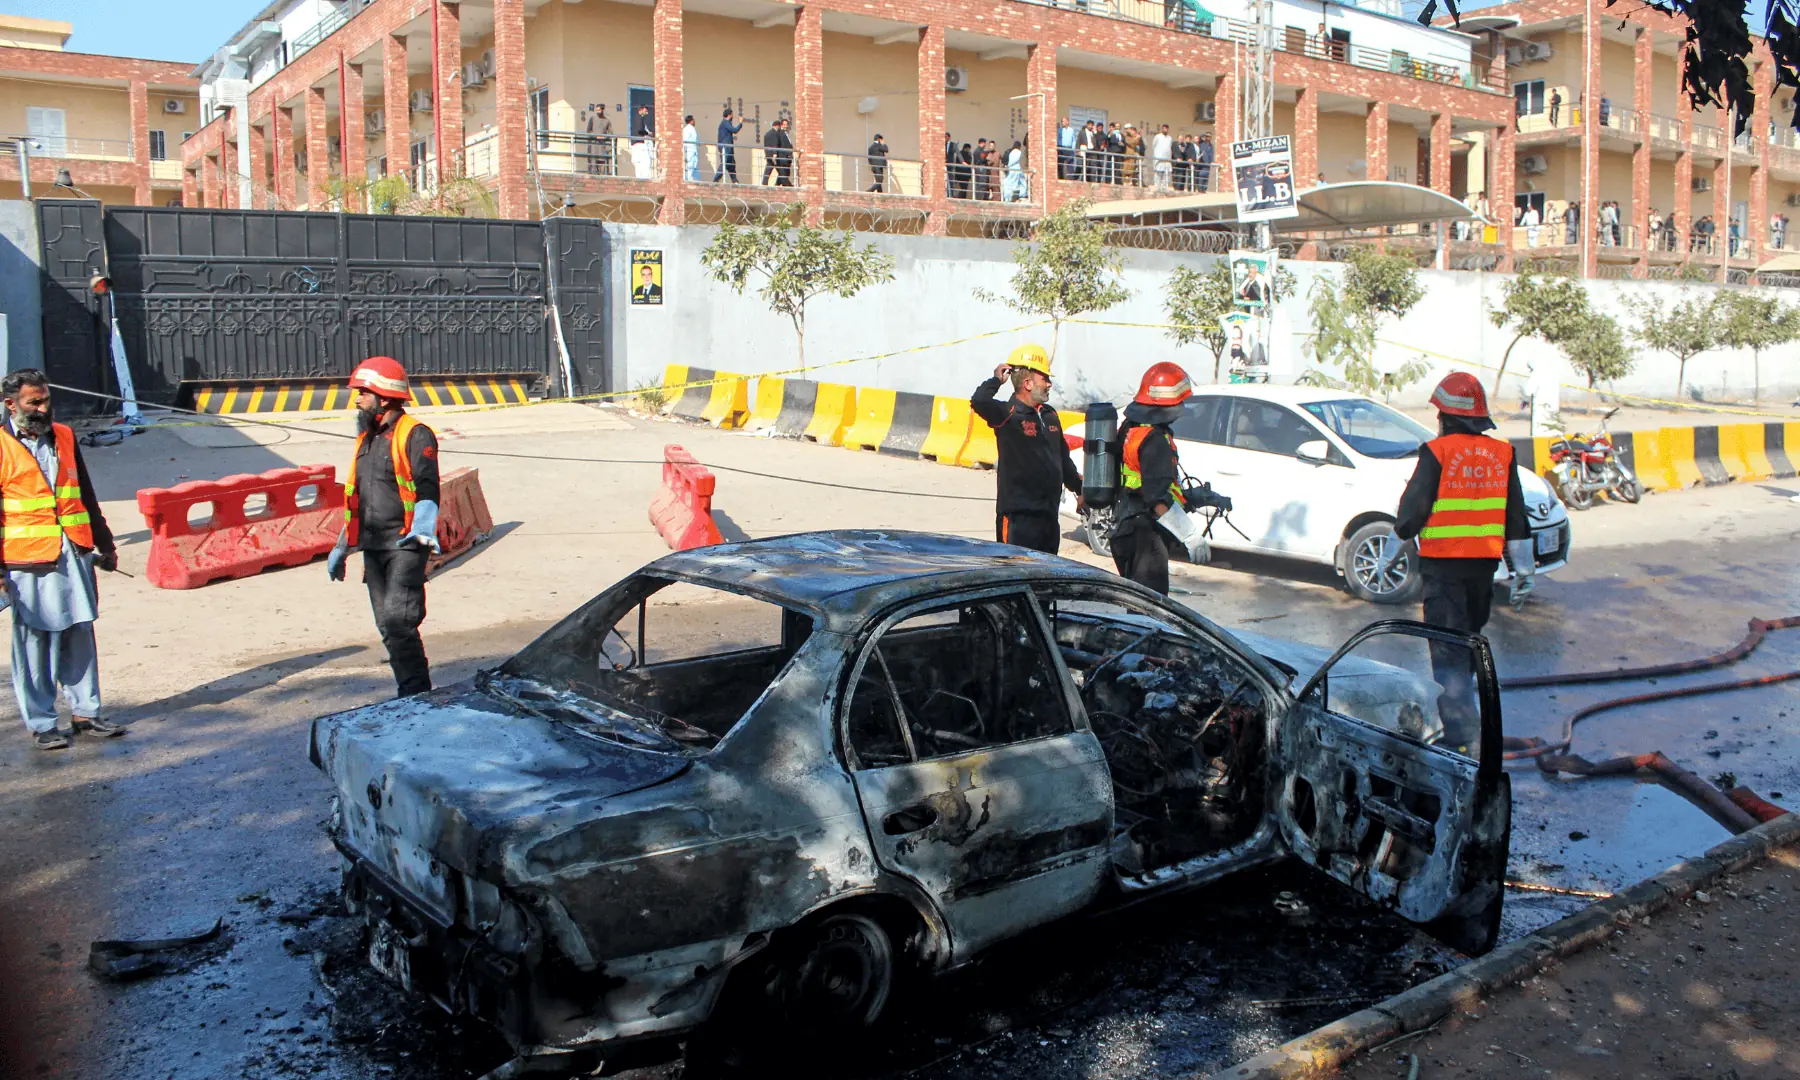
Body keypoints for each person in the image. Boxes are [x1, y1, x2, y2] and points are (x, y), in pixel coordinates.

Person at [1382, 372, 1530, 752]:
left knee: (1448, 656)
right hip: (1483, 571)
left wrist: (1392, 550)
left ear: (1444, 416)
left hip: (1444, 570)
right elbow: (1516, 516)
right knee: (1466, 647)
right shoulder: (1503, 454)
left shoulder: (1437, 452)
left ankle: (1464, 741)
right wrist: (1523, 570)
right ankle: (1470, 726)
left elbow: (1411, 513)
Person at [0, 369, 121, 750]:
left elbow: (84, 492)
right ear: (10, 404)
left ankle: (86, 712)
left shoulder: (64, 436)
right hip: (25, 560)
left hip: (73, 550)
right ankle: (42, 722)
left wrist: (105, 543)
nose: (43, 408)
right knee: (35, 640)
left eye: (46, 399)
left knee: (80, 631)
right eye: (34, 402)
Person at [326, 357, 442, 697]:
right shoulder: (367, 438)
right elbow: (359, 496)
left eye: (363, 392)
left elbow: (426, 484)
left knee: (399, 620)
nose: (358, 399)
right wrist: (342, 546)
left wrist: (423, 525)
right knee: (388, 627)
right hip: (374, 547)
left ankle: (416, 696)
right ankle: (411, 693)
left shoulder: (415, 434)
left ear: (386, 396)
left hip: (406, 544)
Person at [969, 344, 1079, 555]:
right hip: (1018, 521)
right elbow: (979, 401)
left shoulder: (1050, 415)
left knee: (1045, 579)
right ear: (1028, 383)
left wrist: (1079, 489)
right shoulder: (1006, 413)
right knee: (1016, 576)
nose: (1049, 384)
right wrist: (996, 380)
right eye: (1045, 378)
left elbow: (1062, 458)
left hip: (1048, 519)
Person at [1110, 362, 1195, 596]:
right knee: (1150, 611)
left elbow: (1135, 478)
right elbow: (1156, 498)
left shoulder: (1131, 428)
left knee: (1137, 604)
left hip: (1125, 529)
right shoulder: (1155, 439)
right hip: (1145, 537)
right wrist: (1189, 535)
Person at [714, 107, 742, 183]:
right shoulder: (725, 122)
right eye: (732, 115)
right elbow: (734, 130)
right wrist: (740, 123)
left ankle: (735, 180)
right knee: (725, 163)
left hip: (728, 147)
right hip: (725, 147)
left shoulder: (726, 123)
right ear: (729, 115)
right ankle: (715, 180)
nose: (733, 116)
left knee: (731, 164)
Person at [629, 103, 655, 178]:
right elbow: (640, 131)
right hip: (640, 144)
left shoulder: (635, 120)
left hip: (635, 144)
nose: (647, 113)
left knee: (638, 166)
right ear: (640, 110)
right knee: (644, 164)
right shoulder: (639, 118)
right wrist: (649, 133)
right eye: (645, 111)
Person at [682, 114, 700, 182]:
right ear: (691, 121)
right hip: (691, 151)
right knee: (690, 167)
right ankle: (686, 180)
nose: (695, 121)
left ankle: (697, 181)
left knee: (694, 168)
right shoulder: (690, 128)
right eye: (694, 120)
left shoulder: (685, 129)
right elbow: (694, 139)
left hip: (690, 150)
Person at [1058, 116, 1076, 180]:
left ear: (1067, 122)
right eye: (1062, 121)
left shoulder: (1071, 130)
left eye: (1064, 121)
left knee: (1070, 164)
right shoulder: (1059, 130)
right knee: (1060, 164)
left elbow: (1074, 140)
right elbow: (1058, 139)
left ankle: (1071, 178)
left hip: (1069, 148)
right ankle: (1060, 177)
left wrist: (1073, 149)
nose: (1062, 122)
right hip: (1061, 148)